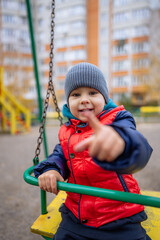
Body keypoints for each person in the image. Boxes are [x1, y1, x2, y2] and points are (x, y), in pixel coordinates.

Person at [34, 62, 153, 240]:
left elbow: (138, 146)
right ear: (68, 101)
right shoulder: (67, 131)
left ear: (105, 98)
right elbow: (59, 156)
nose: (84, 99)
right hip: (76, 216)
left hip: (120, 216)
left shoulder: (118, 120)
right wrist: (51, 169)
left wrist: (119, 143)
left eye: (92, 93)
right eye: (75, 94)